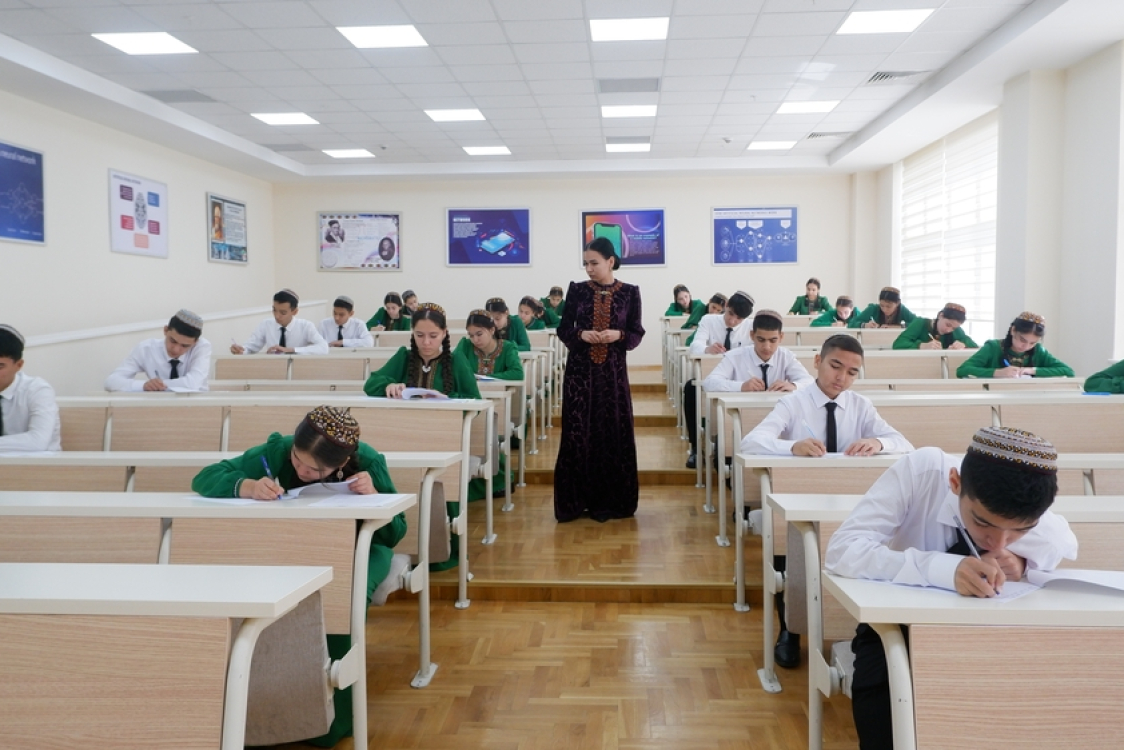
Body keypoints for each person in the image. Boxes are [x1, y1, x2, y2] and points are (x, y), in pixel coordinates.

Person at [825, 427, 1077, 750]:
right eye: (983, 522)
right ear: (955, 482)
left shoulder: (1030, 511)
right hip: (894, 633)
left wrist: (1023, 561)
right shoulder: (924, 472)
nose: (998, 542)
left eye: (1019, 531)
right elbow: (842, 550)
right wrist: (943, 568)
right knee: (884, 717)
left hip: (986, 643)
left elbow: (1065, 542)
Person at [191, 405, 408, 747]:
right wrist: (247, 486)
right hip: (293, 544)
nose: (303, 471)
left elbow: (394, 534)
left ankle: (333, 720)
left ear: (341, 463)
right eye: (298, 460)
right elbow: (205, 477)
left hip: (360, 549)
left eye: (316, 469)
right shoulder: (278, 450)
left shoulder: (367, 461)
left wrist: (375, 498)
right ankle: (269, 712)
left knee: (342, 596)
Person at [741, 334, 915, 670]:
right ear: (817, 362)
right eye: (836, 366)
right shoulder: (793, 402)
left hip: (849, 498)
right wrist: (790, 447)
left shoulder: (860, 405)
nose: (842, 377)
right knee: (791, 554)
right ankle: (790, 629)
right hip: (801, 497)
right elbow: (752, 441)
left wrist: (878, 443)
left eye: (852, 372)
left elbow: (903, 443)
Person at [554, 237, 645, 523]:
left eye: (594, 263)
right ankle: (575, 501)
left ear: (610, 261)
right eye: (586, 263)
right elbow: (563, 328)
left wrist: (619, 334)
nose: (589, 269)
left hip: (613, 375)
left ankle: (612, 501)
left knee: (612, 431)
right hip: (579, 374)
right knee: (577, 432)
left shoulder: (630, 293)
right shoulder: (577, 290)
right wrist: (581, 334)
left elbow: (636, 333)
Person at [682, 291, 755, 469]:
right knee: (691, 388)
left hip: (739, 383)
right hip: (710, 378)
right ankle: (696, 448)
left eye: (739, 319)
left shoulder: (751, 328)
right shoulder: (709, 320)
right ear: (726, 306)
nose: (732, 321)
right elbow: (694, 345)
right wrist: (707, 349)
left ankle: (729, 448)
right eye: (730, 314)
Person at [364, 303, 480, 400]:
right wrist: (389, 386)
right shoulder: (404, 357)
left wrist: (446, 398)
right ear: (413, 332)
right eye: (419, 335)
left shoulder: (456, 361)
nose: (426, 342)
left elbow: (474, 399)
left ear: (444, 333)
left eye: (433, 336)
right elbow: (371, 383)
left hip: (445, 420)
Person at [701, 310, 814, 394]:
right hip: (743, 415)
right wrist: (741, 386)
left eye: (773, 340)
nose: (767, 347)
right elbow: (709, 383)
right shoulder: (735, 356)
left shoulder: (786, 356)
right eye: (761, 340)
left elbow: (809, 381)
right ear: (752, 335)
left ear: (781, 337)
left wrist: (794, 385)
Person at [105, 309, 212, 392]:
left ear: (195, 342)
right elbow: (111, 382)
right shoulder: (146, 348)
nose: (176, 350)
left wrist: (157, 385)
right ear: (165, 330)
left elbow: (193, 384)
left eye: (184, 346)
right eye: (173, 341)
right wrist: (144, 385)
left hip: (197, 408)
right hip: (157, 408)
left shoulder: (202, 346)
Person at [956, 311, 1074, 378]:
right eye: (1022, 340)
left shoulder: (1038, 351)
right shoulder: (993, 347)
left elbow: (1068, 372)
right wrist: (997, 372)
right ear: (1013, 330)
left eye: (1032, 343)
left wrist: (1033, 370)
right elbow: (962, 370)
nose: (1026, 346)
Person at [0, 324, 61, 452]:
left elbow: (38, 442)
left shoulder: (37, 390)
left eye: (0, 366)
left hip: (38, 463)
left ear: (19, 365)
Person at [232, 289, 328, 355]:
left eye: (283, 313)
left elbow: (323, 348)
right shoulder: (266, 324)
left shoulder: (306, 326)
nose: (277, 316)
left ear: (295, 312)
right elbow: (250, 347)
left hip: (298, 369)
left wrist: (291, 350)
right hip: (273, 370)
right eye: (274, 310)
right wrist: (241, 350)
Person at [455, 310, 525, 381]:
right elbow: (452, 367)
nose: (475, 340)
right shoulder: (465, 346)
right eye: (471, 335)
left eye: (479, 334)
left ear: (492, 330)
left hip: (499, 388)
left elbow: (517, 373)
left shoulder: (507, 348)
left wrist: (484, 377)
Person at [892, 302, 978, 350]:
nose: (949, 330)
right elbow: (897, 344)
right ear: (940, 315)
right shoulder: (920, 323)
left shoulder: (956, 330)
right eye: (948, 325)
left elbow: (974, 346)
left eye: (954, 328)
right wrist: (921, 346)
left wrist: (963, 344)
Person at [848, 286, 916, 329]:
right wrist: (864, 325)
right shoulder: (873, 308)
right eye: (882, 305)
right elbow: (851, 324)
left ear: (898, 303)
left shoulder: (901, 309)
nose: (884, 309)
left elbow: (919, 324)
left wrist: (899, 326)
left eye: (889, 306)